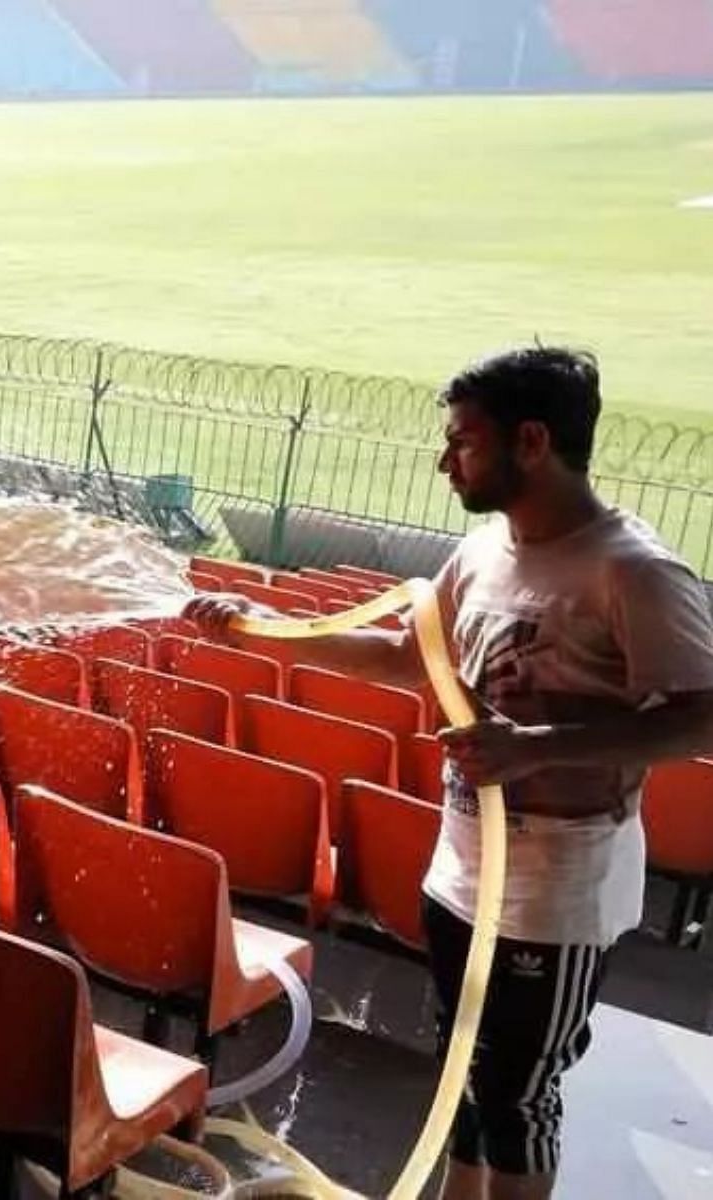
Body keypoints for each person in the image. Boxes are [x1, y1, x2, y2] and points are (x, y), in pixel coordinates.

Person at [185, 347, 713, 1200]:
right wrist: (261, 629)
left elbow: (702, 715)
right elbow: (408, 656)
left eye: (462, 442)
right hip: (462, 871)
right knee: (468, 1070)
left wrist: (535, 745)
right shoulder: (483, 549)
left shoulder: (635, 572)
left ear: (532, 441)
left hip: (559, 887)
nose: (443, 461)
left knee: (518, 1097)